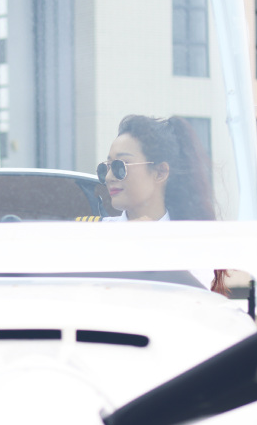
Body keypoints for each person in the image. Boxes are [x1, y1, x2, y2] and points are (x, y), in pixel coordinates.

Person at [96, 114, 229, 295]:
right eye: (106, 167)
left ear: (160, 172)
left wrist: (150, 248)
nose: (109, 177)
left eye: (120, 166)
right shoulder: (95, 235)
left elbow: (189, 300)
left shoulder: (192, 245)